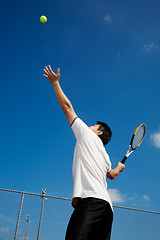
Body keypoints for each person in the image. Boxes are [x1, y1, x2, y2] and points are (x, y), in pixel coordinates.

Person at [43, 65, 125, 240]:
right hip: (107, 210)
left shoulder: (87, 135)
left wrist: (55, 83)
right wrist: (119, 167)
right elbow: (111, 175)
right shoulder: (105, 155)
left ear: (98, 132)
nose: (89, 126)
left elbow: (67, 107)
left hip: (91, 203)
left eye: (93, 126)